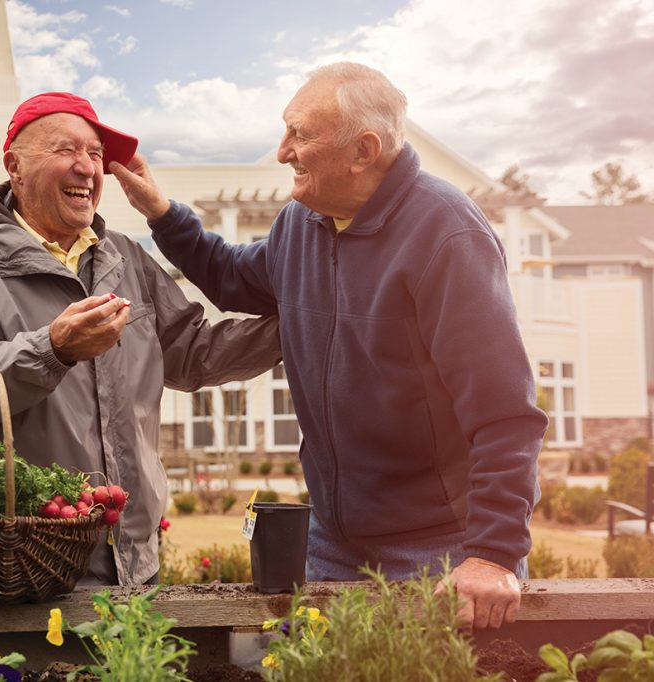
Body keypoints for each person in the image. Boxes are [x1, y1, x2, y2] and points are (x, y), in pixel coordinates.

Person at [111, 62, 548, 629]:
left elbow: (505, 414)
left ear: (363, 150)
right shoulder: (302, 224)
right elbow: (230, 276)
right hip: (334, 540)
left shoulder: (446, 234)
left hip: (438, 546)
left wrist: (491, 553)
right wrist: (162, 214)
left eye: (300, 134)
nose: (282, 151)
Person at [0, 92, 281, 586]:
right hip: (20, 569)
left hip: (134, 564)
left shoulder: (122, 257)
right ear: (14, 166)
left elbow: (194, 353)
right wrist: (51, 350)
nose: (87, 167)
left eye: (97, 154)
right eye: (66, 149)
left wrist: (301, 322)